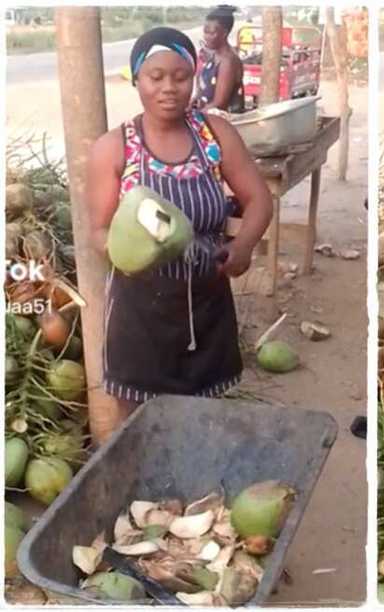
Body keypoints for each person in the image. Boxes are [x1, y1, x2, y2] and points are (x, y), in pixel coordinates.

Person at [86, 27, 273, 413]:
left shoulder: (214, 133)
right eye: (155, 77)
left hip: (207, 306)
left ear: (194, 76)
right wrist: (129, 249)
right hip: (139, 315)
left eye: (181, 76)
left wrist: (243, 246)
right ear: (137, 79)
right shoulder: (114, 148)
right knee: (139, 428)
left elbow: (258, 200)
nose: (168, 87)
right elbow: (98, 230)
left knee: (203, 422)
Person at [194, 5, 246, 113]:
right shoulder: (214, 55)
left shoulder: (228, 61)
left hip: (223, 124)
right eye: (205, 32)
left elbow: (219, 104)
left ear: (224, 33)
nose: (206, 37)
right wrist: (194, 100)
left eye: (211, 33)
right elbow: (203, 88)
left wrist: (195, 117)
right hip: (208, 116)